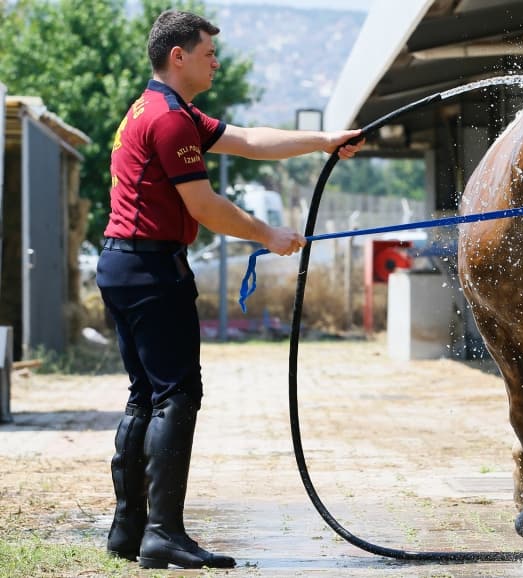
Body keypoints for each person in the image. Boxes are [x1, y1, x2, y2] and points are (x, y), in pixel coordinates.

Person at [97, 9, 363, 570]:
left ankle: (130, 531)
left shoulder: (160, 109)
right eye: (208, 53)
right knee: (176, 395)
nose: (216, 61)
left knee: (146, 394)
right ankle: (163, 533)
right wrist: (270, 234)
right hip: (150, 271)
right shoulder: (169, 119)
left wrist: (322, 141)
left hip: (124, 264)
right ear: (179, 56)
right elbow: (204, 206)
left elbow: (246, 140)